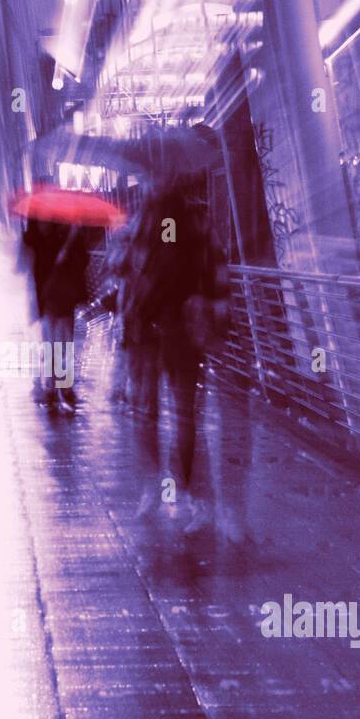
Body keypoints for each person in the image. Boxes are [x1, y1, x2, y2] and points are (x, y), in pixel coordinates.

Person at [120, 179, 229, 526]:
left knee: (153, 414)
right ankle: (185, 494)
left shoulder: (160, 220)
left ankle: (164, 489)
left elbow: (164, 265)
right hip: (174, 332)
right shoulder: (190, 220)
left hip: (161, 328)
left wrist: (142, 295)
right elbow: (215, 270)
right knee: (177, 415)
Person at [25, 220, 89, 412]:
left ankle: (59, 388)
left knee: (59, 347)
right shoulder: (42, 239)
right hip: (52, 299)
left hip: (58, 298)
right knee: (56, 347)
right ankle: (57, 388)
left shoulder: (60, 237)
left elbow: (82, 262)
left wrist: (71, 243)